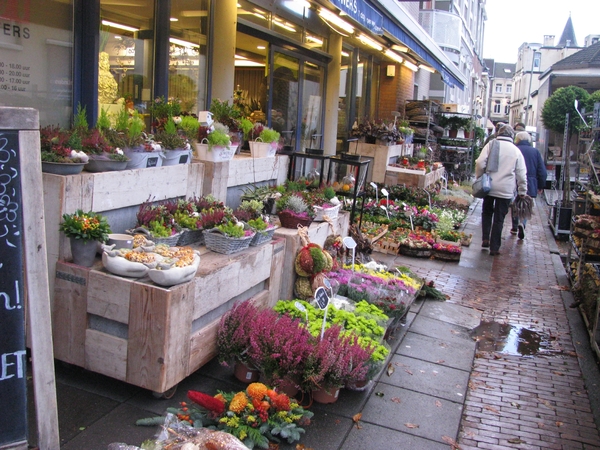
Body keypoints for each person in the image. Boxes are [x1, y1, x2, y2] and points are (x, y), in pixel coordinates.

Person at [475, 124, 527, 256]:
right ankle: (494, 247)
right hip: (505, 189)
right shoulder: (516, 151)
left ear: (499, 133)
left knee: (487, 212)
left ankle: (485, 238)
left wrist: (480, 177)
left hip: (489, 186)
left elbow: (480, 162)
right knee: (499, 218)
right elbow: (521, 173)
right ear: (512, 136)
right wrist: (522, 191)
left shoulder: (491, 144)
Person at [510, 131, 547, 239]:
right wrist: (541, 185)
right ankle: (523, 222)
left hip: (514, 180)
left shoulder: (514, 149)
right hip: (530, 181)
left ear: (517, 139)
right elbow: (542, 171)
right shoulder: (535, 152)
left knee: (515, 203)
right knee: (526, 204)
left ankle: (514, 227)